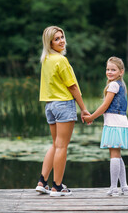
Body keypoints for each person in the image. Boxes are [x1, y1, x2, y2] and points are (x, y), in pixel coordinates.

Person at [36, 26, 90, 197]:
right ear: (50, 42)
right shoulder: (61, 60)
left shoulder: (46, 59)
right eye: (57, 39)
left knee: (55, 144)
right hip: (64, 105)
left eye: (62, 37)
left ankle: (42, 182)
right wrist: (84, 109)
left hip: (50, 106)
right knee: (62, 147)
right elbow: (73, 86)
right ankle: (57, 187)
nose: (62, 41)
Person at [83, 56, 128, 196]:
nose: (109, 72)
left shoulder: (113, 85)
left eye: (113, 69)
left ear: (121, 72)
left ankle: (113, 188)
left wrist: (91, 117)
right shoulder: (121, 85)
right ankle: (124, 186)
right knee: (117, 154)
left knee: (114, 155)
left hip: (114, 123)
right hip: (121, 122)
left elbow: (105, 106)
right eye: (108, 69)